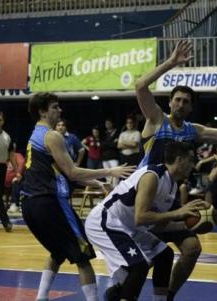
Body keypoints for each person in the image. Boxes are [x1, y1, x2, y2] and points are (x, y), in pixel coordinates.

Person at [135, 40, 217, 300]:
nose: (181, 104)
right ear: (169, 103)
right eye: (177, 100)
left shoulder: (194, 130)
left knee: (191, 248)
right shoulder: (157, 120)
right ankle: (123, 290)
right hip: (143, 202)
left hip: (170, 204)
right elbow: (140, 86)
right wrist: (170, 63)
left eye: (186, 102)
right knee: (142, 261)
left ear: (191, 107)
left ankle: (168, 295)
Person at [20, 93, 134, 301]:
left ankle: (41, 297)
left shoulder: (35, 135)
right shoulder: (52, 136)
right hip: (50, 203)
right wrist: (109, 172)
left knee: (58, 252)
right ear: (42, 111)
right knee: (83, 255)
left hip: (29, 204)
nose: (60, 110)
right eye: (55, 107)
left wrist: (97, 183)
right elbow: (72, 172)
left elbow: (64, 174)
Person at [86, 142, 206, 301]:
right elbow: (141, 217)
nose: (193, 164)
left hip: (128, 226)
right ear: (179, 160)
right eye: (190, 160)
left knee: (165, 254)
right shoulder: (152, 176)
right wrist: (177, 213)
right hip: (106, 222)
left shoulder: (172, 186)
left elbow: (157, 226)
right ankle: (120, 292)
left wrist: (188, 225)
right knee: (139, 266)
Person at [102, 118, 120, 186]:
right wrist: (111, 143)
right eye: (106, 123)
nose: (107, 125)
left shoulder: (117, 132)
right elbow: (102, 145)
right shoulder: (104, 133)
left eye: (109, 123)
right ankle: (109, 192)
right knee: (107, 175)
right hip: (105, 157)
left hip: (114, 157)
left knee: (116, 174)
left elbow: (116, 145)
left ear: (112, 124)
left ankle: (116, 190)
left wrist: (108, 144)